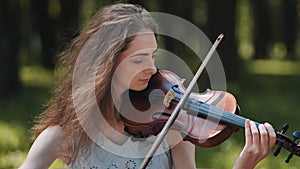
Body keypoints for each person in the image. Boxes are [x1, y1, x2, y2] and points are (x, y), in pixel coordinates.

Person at [19, 3, 276, 169]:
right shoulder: (65, 137)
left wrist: (244, 164)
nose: (152, 69)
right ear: (106, 64)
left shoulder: (173, 126)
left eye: (153, 55)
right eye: (139, 59)